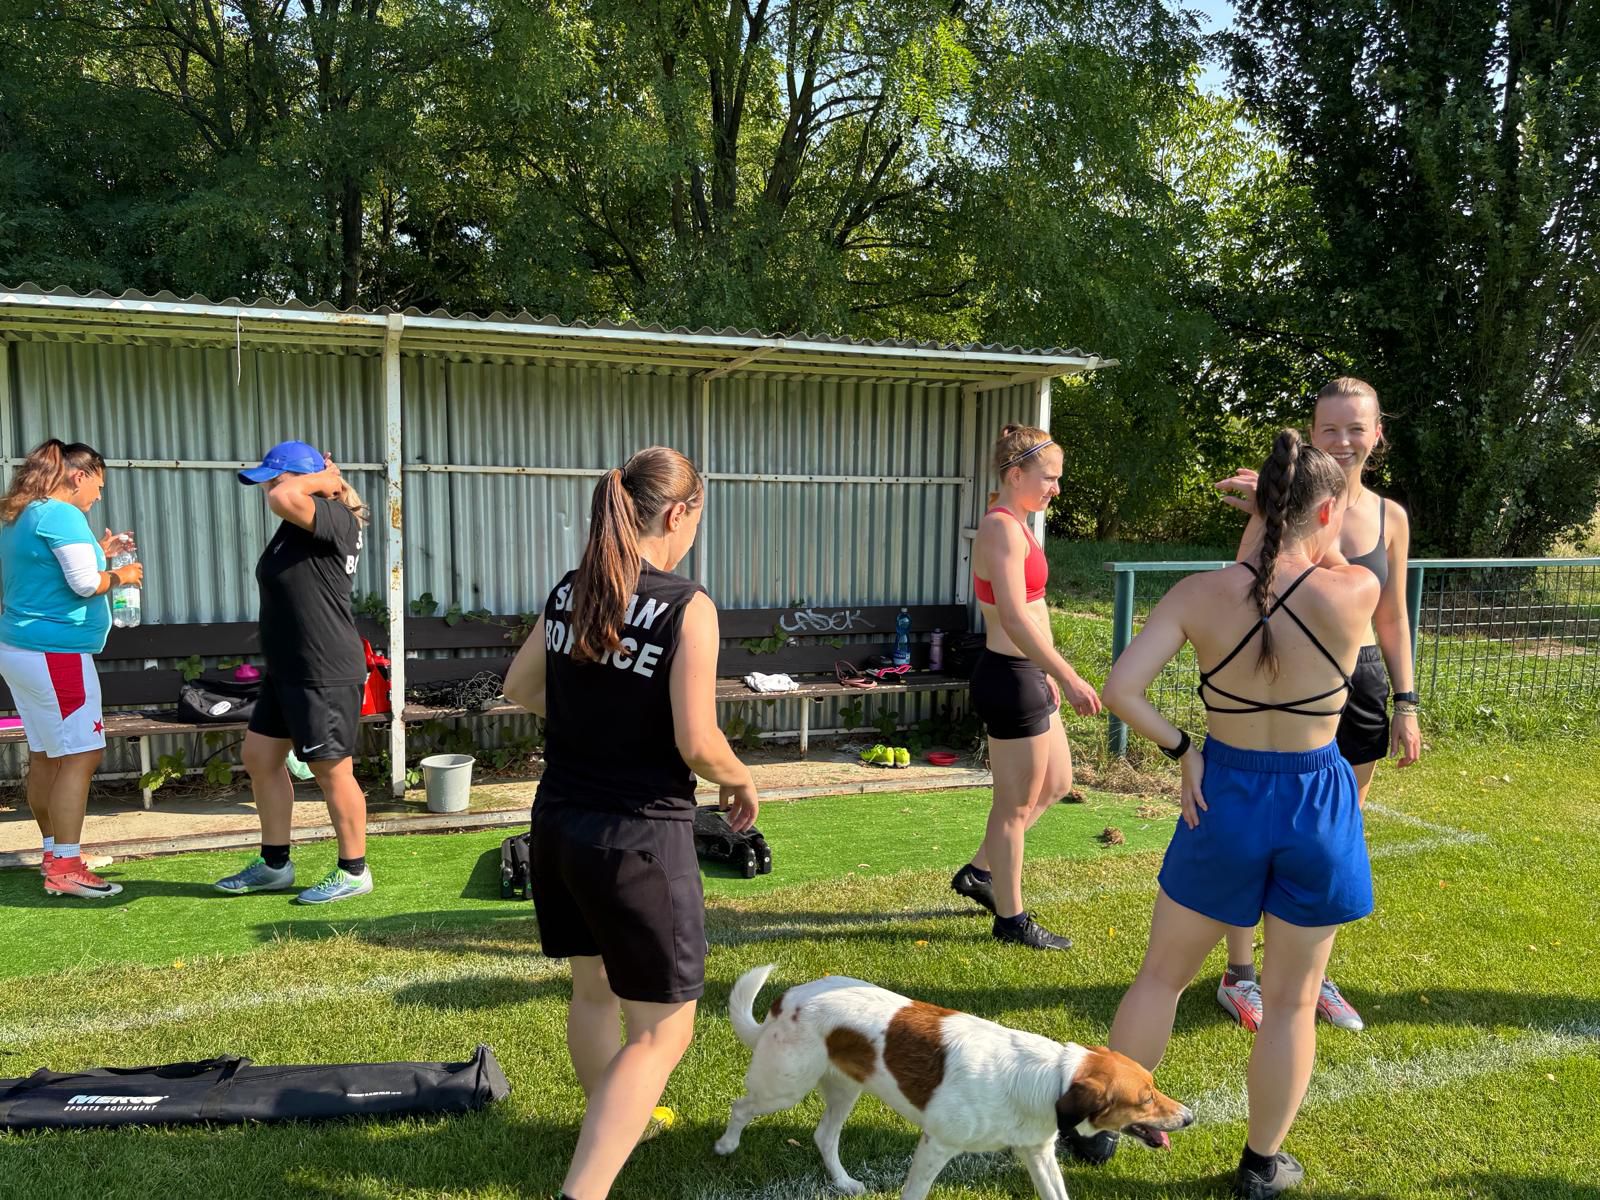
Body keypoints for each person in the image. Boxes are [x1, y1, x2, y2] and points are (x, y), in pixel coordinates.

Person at [1099, 429, 1379, 1197]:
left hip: (1223, 792)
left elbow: (1122, 691)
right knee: (1290, 1004)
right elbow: (1329, 548)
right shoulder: (1356, 590)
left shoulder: (1199, 593)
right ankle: (1260, 1167)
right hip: (1316, 802)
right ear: (1325, 511)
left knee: (1161, 977)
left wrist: (1183, 748)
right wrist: (1284, 511)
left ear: (1260, 511)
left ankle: (1102, 1127)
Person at [502, 445, 759, 1200]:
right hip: (638, 838)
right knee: (663, 1030)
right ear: (677, 513)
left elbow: (521, 686)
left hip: (558, 825)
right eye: (697, 518)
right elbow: (697, 741)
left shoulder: (572, 589)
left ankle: (612, 1121)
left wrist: (594, 717)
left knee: (594, 992)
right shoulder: (687, 605)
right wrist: (739, 776)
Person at [1212, 378, 1421, 1032]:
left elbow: (1392, 618)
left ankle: (1307, 974)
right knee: (1253, 836)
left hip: (1360, 686)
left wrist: (1406, 703)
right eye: (1330, 428)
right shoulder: (1280, 504)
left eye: (1357, 428)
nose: (1344, 440)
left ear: (1378, 434)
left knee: (1331, 840)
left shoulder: (1390, 518)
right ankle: (1240, 975)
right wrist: (1263, 513)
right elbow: (1244, 594)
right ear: (1312, 432)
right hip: (1288, 685)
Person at [948, 424, 1101, 951]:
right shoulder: (1001, 529)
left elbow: (1034, 610)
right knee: (1013, 807)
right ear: (1016, 475)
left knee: (1056, 783)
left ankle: (978, 872)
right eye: (1049, 477)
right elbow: (1014, 618)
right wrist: (1069, 675)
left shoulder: (1020, 524)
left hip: (1030, 674)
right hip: (1010, 678)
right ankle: (1011, 919)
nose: (1056, 488)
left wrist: (1050, 672)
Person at [212, 440, 372, 904]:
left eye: (275, 479)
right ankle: (274, 865)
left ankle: (354, 871)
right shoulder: (297, 522)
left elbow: (286, 496)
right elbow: (286, 498)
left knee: (331, 769)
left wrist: (326, 479)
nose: (269, 489)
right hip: (287, 668)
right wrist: (315, 481)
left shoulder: (334, 517)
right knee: (260, 758)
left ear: (304, 481)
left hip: (323, 668)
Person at [0, 440, 141, 898]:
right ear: (79, 476)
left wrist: (99, 550)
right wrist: (122, 575)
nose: (98, 496)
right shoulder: (62, 515)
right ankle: (65, 865)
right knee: (81, 754)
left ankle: (54, 852)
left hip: (20, 647)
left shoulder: (23, 513)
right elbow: (83, 584)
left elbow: (46, 572)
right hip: (55, 653)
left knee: (47, 754)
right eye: (98, 485)